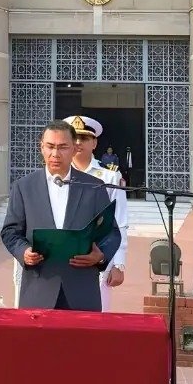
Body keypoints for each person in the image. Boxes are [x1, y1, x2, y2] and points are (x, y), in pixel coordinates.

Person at [1, 120, 121, 312]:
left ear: (74, 148)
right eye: (50, 146)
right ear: (41, 147)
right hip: (39, 287)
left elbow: (112, 232)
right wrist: (24, 251)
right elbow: (10, 231)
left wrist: (100, 256)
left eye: (63, 147)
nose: (55, 154)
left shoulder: (94, 187)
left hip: (81, 289)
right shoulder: (24, 187)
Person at [63, 115, 128, 312]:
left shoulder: (110, 175)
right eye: (73, 138)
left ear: (94, 143)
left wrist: (118, 264)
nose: (78, 143)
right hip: (64, 252)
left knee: (97, 313)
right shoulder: (58, 174)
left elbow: (120, 220)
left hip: (98, 252)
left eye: (84, 138)